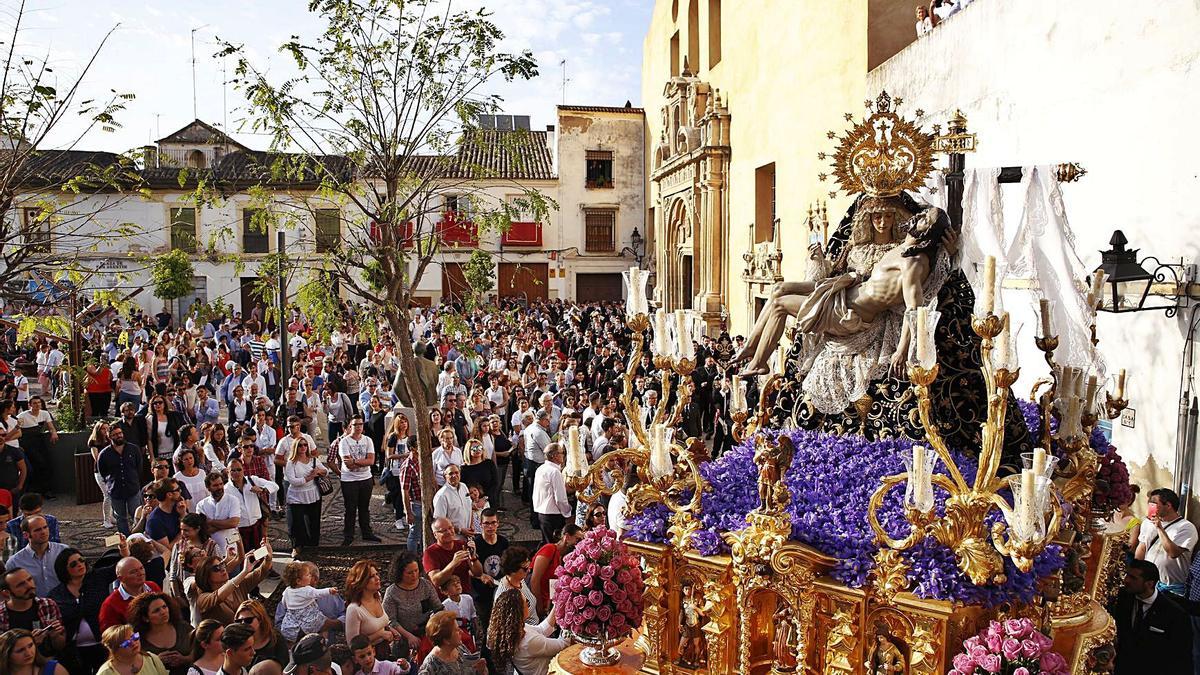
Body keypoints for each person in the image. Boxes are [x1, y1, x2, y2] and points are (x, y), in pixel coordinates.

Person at [50, 545, 124, 674]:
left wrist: (124, 551)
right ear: (64, 569)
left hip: (102, 645)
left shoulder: (97, 578)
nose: (79, 565)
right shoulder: (56, 594)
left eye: (81, 560)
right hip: (74, 651)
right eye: (73, 564)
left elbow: (120, 568)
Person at [1109, 559, 1192, 674]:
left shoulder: (1174, 614)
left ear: (1149, 583)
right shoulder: (1122, 598)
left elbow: (1181, 656)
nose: (1126, 580)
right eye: (1127, 575)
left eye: (1133, 578)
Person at [486, 588, 567, 675]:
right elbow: (562, 645)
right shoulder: (529, 641)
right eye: (526, 602)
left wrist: (558, 604)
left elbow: (541, 629)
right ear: (519, 610)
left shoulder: (514, 629)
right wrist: (569, 620)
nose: (529, 605)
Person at [1135, 487, 1198, 594]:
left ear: (1168, 506)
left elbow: (1173, 553)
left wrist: (1159, 528)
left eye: (1154, 503)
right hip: (1149, 583)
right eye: (1150, 503)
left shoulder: (1186, 527)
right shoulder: (1147, 523)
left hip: (1172, 587)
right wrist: (1136, 571)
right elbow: (1142, 546)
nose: (1151, 506)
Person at [191, 544, 272, 625]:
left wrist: (268, 558)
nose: (222, 569)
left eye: (222, 565)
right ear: (206, 576)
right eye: (216, 568)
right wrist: (244, 572)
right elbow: (218, 596)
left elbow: (261, 572)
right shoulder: (203, 599)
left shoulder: (238, 586)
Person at [0, 568, 66, 656]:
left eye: (29, 579)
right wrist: (30, 643)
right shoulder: (2, 615)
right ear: (7, 593)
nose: (29, 585)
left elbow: (60, 646)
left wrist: (55, 636)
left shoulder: (48, 605)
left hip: (46, 661)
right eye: (20, 584)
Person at [382, 552, 438, 655]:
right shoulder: (392, 592)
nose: (414, 575)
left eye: (416, 571)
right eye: (409, 573)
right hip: (402, 638)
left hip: (427, 634)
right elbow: (390, 621)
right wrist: (409, 636)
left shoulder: (426, 585)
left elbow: (438, 608)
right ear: (400, 573)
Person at [345, 561, 404, 655]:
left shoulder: (377, 597)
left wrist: (390, 630)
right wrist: (379, 635)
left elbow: (381, 624)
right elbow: (352, 644)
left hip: (385, 650)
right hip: (368, 658)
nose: (377, 578)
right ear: (362, 581)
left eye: (377, 574)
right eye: (372, 576)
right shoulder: (354, 609)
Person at [127, 592, 193, 675]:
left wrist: (185, 659)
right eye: (156, 611)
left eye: (164, 607)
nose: (163, 612)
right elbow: (131, 667)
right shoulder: (137, 639)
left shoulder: (183, 627)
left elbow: (203, 652)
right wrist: (155, 661)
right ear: (145, 618)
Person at [340, 416, 381, 546]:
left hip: (365, 478)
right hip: (349, 480)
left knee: (364, 507)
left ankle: (366, 532)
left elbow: (371, 461)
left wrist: (355, 461)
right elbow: (348, 465)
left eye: (360, 424)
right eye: (355, 424)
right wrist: (360, 462)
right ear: (350, 426)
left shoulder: (368, 440)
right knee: (350, 508)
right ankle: (348, 535)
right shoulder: (344, 442)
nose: (358, 427)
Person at [5, 515, 70, 596]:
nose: (43, 532)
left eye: (45, 527)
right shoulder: (15, 562)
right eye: (38, 530)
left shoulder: (63, 551)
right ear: (26, 535)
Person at [279, 561, 342, 642]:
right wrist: (329, 590)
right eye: (308, 575)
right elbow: (318, 593)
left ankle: (292, 648)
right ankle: (325, 641)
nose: (310, 576)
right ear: (298, 581)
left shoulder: (287, 591)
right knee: (324, 626)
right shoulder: (307, 590)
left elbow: (284, 603)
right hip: (310, 620)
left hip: (291, 624)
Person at [98, 425, 144, 535]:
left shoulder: (133, 449)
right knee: (120, 517)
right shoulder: (104, 454)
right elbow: (103, 473)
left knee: (136, 515)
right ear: (109, 437)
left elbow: (139, 468)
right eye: (115, 434)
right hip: (116, 491)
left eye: (120, 433)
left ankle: (138, 538)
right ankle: (126, 540)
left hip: (132, 488)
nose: (118, 436)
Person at [284, 437, 326, 557]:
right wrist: (309, 477)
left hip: (312, 494)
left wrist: (318, 472)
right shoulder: (291, 463)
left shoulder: (313, 460)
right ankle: (296, 546)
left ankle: (312, 544)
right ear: (296, 448)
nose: (303, 448)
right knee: (296, 522)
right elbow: (293, 480)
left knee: (313, 521)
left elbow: (325, 471)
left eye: (305, 445)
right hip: (296, 496)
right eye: (300, 445)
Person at [530, 525, 581, 619]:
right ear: (567, 536)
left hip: (545, 605)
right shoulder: (549, 549)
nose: (578, 544)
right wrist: (539, 606)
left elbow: (554, 585)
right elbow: (534, 580)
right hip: (533, 603)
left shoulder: (563, 557)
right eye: (577, 539)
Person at [423, 519, 481, 601]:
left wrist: (473, 557)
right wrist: (453, 563)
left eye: (450, 528)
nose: (449, 532)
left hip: (465, 597)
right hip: (444, 600)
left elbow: (478, 573)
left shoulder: (462, 545)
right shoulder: (430, 553)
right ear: (435, 535)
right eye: (443, 531)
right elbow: (436, 581)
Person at [227, 458, 277, 554]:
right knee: (245, 556)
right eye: (233, 470)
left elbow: (274, 486)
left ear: (243, 470)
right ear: (228, 471)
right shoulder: (226, 489)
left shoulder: (252, 480)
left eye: (239, 469)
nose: (236, 473)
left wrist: (262, 489)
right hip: (240, 531)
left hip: (256, 527)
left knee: (260, 554)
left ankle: (263, 568)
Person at [471, 509, 507, 641]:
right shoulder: (476, 544)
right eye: (486, 523)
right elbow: (468, 569)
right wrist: (481, 576)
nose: (490, 527)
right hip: (481, 592)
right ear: (480, 524)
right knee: (487, 625)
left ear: (498, 523)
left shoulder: (503, 542)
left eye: (493, 523)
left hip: (499, 589)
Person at [98, 557, 161, 631]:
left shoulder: (152, 587)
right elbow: (111, 637)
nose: (140, 573)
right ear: (121, 578)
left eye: (141, 568)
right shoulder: (110, 605)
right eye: (133, 572)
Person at [417, 611, 485, 675]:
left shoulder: (460, 648)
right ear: (446, 640)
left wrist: (480, 670)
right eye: (456, 630)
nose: (461, 632)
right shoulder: (430, 666)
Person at [16, 396, 58, 499]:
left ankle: (46, 490)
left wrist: (53, 433)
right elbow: (16, 430)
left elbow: (51, 426)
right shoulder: (22, 416)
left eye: (39, 403)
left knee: (47, 463)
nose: (37, 405)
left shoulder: (44, 413)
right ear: (30, 405)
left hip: (39, 441)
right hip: (27, 442)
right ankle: (36, 491)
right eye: (34, 403)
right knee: (37, 464)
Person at [233, 599, 289, 671]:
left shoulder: (275, 639)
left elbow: (285, 667)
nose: (243, 624)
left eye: (248, 620)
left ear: (260, 619)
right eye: (239, 621)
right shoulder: (235, 642)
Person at [531, 444, 570, 544]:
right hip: (553, 515)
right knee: (555, 546)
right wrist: (567, 512)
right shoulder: (554, 472)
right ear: (555, 456)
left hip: (542, 513)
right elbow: (560, 499)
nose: (563, 456)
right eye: (562, 453)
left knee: (546, 543)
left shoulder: (541, 468)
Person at [97, 624, 169, 675]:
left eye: (134, 637)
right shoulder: (106, 672)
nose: (133, 643)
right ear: (115, 649)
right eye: (126, 642)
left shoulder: (152, 659)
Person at [196, 472, 241, 554]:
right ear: (208, 488)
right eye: (215, 485)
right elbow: (203, 529)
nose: (219, 487)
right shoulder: (201, 505)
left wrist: (210, 521)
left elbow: (234, 523)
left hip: (232, 549)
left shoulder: (233, 500)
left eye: (221, 484)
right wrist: (225, 523)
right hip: (211, 551)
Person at [493, 548, 538, 626]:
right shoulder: (505, 595)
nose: (529, 570)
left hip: (535, 627)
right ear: (512, 570)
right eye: (525, 568)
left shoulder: (519, 579)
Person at [0, 628, 68, 675]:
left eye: (30, 646)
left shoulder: (55, 669)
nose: (28, 653)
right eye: (20, 650)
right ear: (6, 654)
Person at [89, 421, 117, 529]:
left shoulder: (111, 440)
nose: (105, 431)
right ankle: (106, 520)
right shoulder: (94, 442)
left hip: (111, 471)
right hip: (101, 472)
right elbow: (97, 458)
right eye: (103, 429)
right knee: (107, 495)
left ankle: (111, 516)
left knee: (113, 494)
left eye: (107, 428)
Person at [145, 479, 185, 555]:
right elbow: (168, 550)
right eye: (178, 490)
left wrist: (183, 514)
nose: (180, 491)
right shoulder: (154, 521)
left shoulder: (178, 508)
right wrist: (184, 532)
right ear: (169, 495)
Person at [438, 576, 477, 647]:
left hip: (468, 630)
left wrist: (475, 627)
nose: (457, 585)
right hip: (455, 632)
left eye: (458, 583)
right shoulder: (444, 605)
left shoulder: (468, 598)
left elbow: (473, 614)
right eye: (453, 584)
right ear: (445, 591)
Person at [432, 465, 472, 535]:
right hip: (452, 538)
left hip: (468, 535)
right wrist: (460, 530)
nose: (454, 475)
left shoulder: (464, 487)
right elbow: (440, 522)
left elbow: (469, 508)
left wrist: (471, 526)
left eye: (456, 473)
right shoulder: (442, 495)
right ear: (445, 476)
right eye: (450, 474)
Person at [346, 635, 410, 675]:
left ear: (373, 651)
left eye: (369, 653)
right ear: (355, 659)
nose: (367, 659)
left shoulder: (386, 666)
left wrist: (403, 665)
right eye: (362, 656)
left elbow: (402, 671)